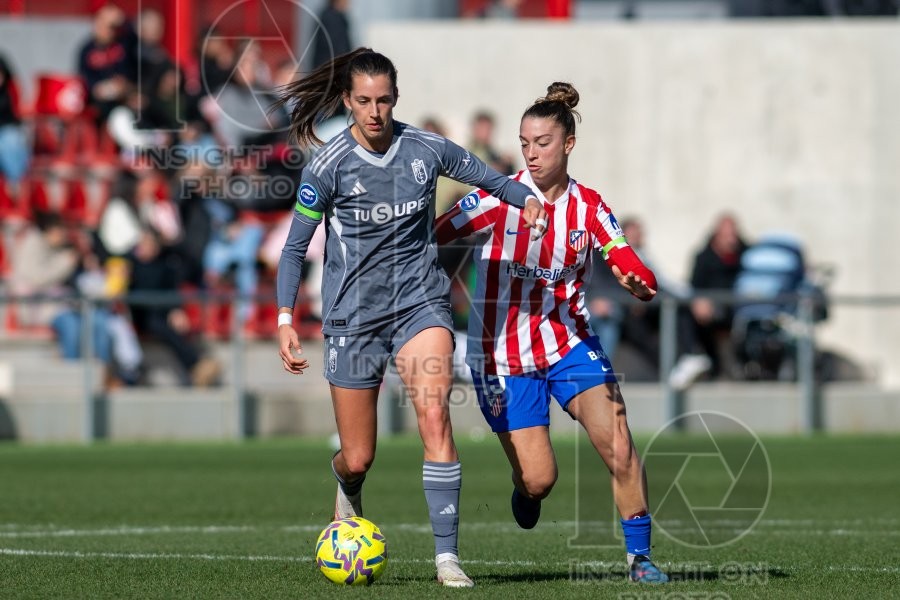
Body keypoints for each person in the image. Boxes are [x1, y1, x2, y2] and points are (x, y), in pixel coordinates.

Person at [273, 48, 548, 588]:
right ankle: (347, 484)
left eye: (384, 100)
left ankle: (447, 557)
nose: (375, 112)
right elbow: (292, 250)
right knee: (359, 455)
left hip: (420, 304)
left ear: (396, 99)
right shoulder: (327, 166)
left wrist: (526, 199)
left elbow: (488, 177)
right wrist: (285, 318)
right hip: (353, 318)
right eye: (364, 101)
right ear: (347, 102)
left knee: (435, 417)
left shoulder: (424, 148)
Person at [435, 82, 669, 584]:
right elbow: (435, 233)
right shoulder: (498, 198)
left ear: (568, 144)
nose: (532, 152)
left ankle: (640, 558)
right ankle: (525, 488)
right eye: (524, 142)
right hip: (501, 355)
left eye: (542, 142)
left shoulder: (589, 206)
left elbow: (632, 265)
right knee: (540, 480)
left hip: (570, 344)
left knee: (621, 446)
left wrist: (638, 282)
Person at [689, 213, 747, 379]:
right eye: (726, 235)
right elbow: (695, 287)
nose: (731, 240)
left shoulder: (744, 254)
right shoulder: (703, 258)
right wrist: (699, 302)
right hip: (712, 311)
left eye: (733, 235)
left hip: (737, 309)